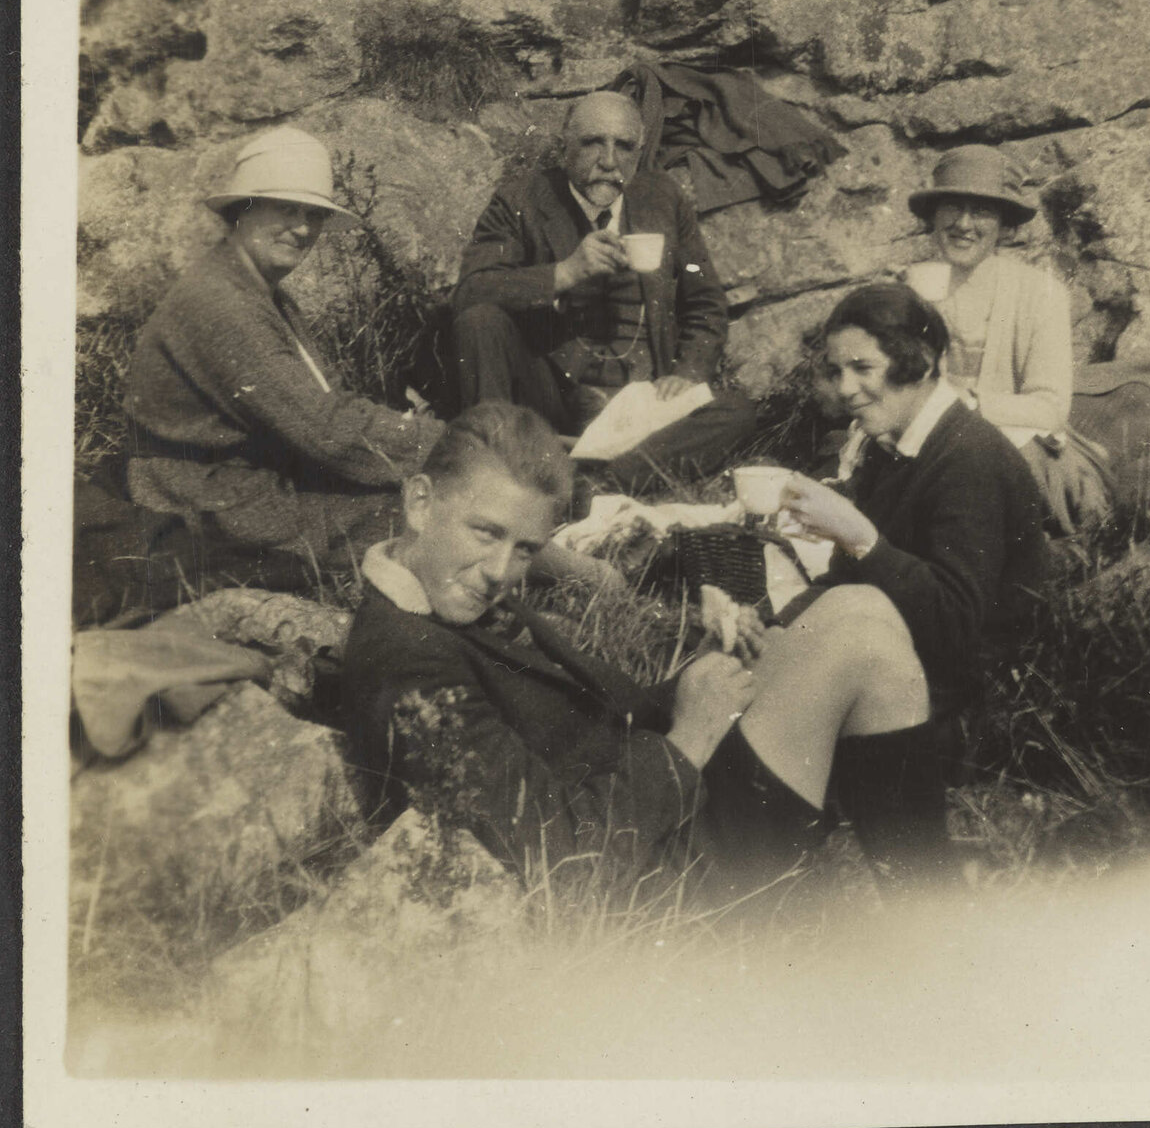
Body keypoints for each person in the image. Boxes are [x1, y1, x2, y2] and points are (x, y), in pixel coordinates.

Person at [342, 400, 974, 902]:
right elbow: (557, 863)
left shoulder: (443, 599)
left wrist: (705, 665)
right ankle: (927, 908)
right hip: (651, 878)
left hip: (651, 807)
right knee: (861, 643)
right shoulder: (407, 660)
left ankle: (921, 888)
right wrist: (689, 739)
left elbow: (592, 728)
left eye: (526, 549)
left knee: (856, 607)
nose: (499, 571)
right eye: (485, 533)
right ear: (420, 502)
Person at [772, 282, 1050, 873]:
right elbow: (846, 584)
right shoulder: (894, 443)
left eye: (863, 368)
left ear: (919, 363)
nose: (845, 389)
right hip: (899, 666)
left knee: (763, 733)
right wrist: (776, 627)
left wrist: (860, 537)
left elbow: (956, 624)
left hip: (959, 707)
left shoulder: (967, 458)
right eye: (836, 370)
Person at [125, 126, 444, 587]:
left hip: (245, 478)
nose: (303, 229)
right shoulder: (221, 302)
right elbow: (326, 430)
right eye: (287, 209)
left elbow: (324, 406)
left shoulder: (261, 294)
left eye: (314, 215)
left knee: (429, 501)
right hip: (205, 498)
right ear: (243, 209)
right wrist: (451, 445)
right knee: (431, 512)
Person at [452, 91, 757, 493]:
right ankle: (497, 467)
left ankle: (597, 482)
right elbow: (471, 291)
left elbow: (706, 302)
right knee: (480, 320)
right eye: (593, 142)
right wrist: (563, 273)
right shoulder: (521, 199)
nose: (610, 161)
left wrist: (687, 373)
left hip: (643, 406)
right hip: (556, 400)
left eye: (624, 146)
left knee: (739, 411)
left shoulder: (663, 198)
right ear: (564, 146)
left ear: (640, 152)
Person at [902, 145, 1112, 533]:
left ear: (1003, 224)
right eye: (952, 206)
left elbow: (1049, 408)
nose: (964, 224)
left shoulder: (1040, 294)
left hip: (1007, 439)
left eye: (982, 211)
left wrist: (966, 405)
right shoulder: (910, 290)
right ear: (933, 215)